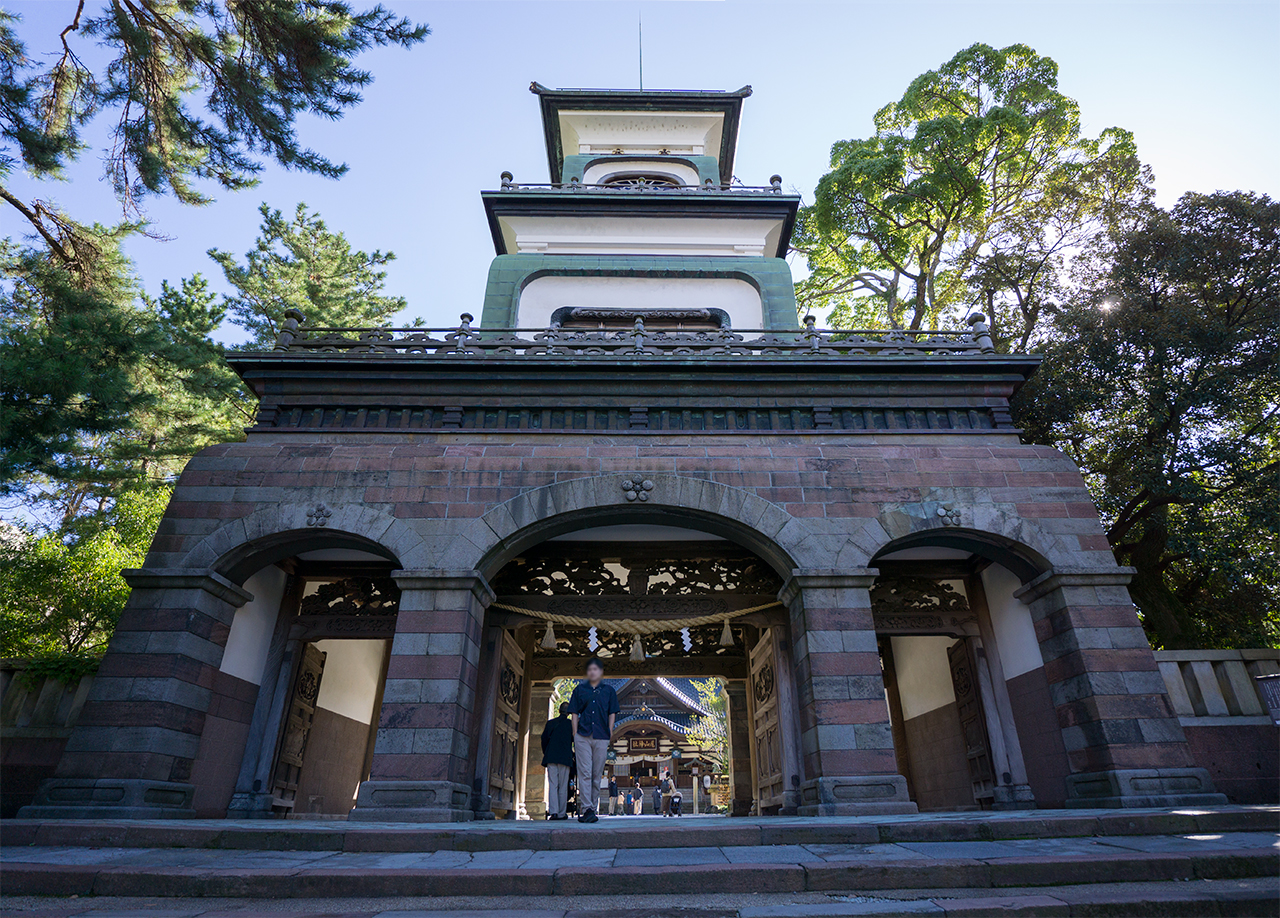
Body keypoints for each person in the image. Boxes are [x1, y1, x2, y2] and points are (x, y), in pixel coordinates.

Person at [567, 657, 619, 824]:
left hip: (601, 735)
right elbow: (574, 712)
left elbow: (612, 712)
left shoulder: (609, 691)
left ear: (601, 672)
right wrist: (575, 733)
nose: (592, 672)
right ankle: (586, 808)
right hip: (583, 735)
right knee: (585, 772)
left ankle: (593, 808)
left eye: (595, 669)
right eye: (589, 669)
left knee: (597, 774)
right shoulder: (579, 689)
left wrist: (610, 731)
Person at [540, 702, 574, 820]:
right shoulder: (571, 725)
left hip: (551, 757)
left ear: (559, 711)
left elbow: (543, 739)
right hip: (565, 758)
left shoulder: (550, 723)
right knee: (563, 786)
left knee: (553, 785)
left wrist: (547, 752)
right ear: (568, 712)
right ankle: (561, 813)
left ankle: (553, 812)